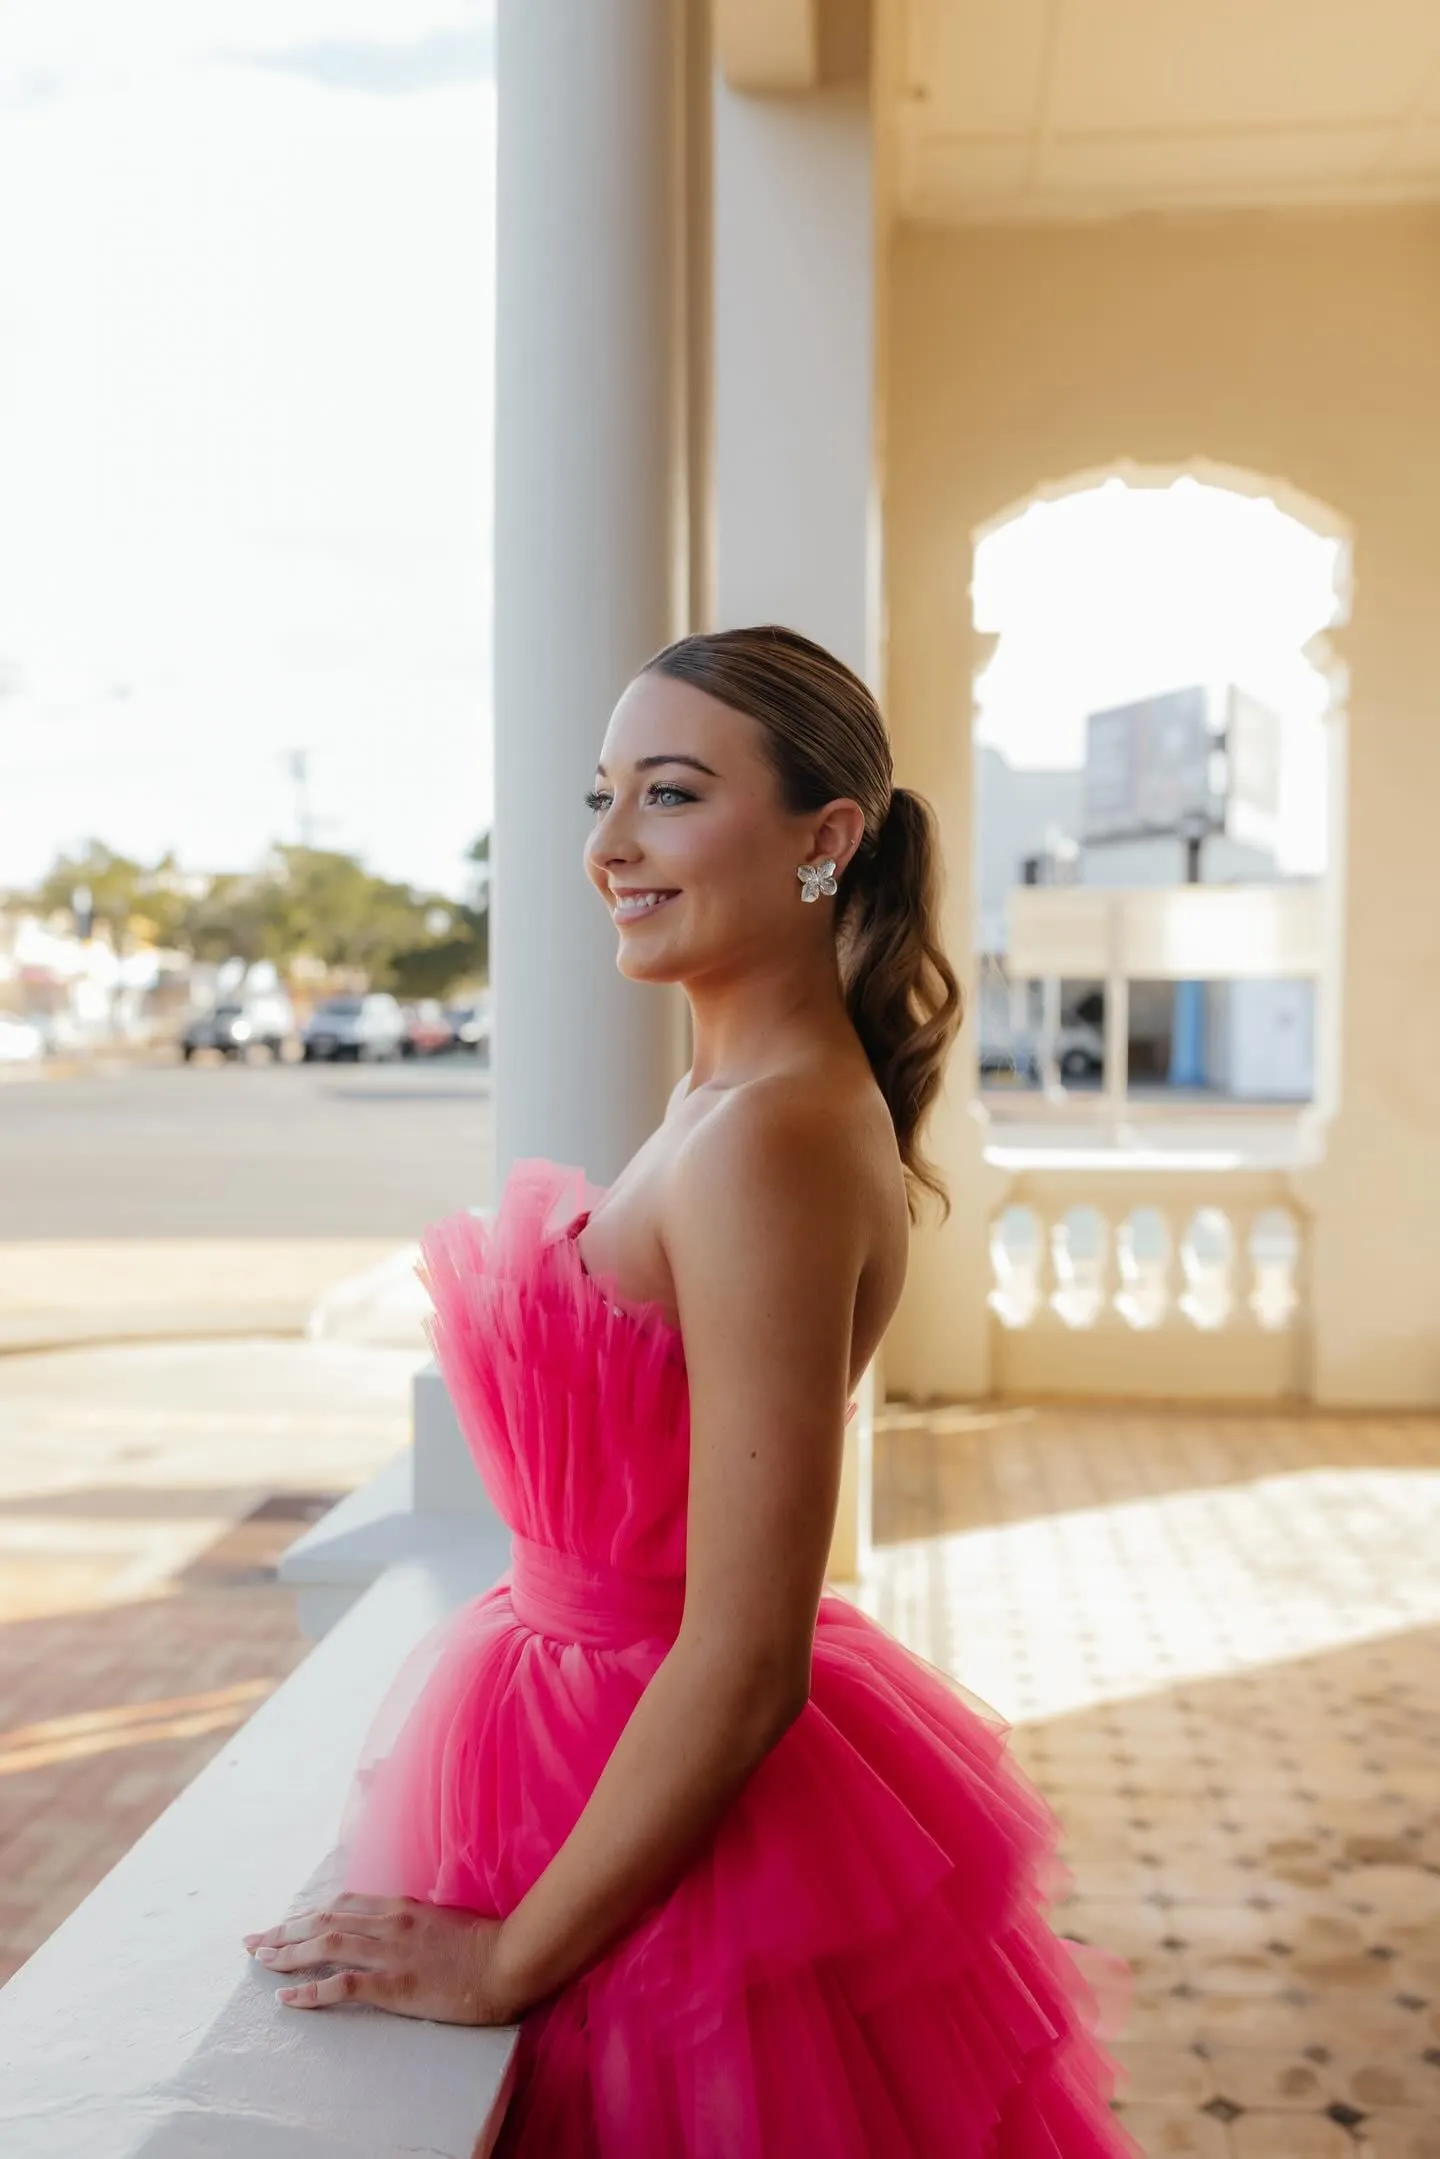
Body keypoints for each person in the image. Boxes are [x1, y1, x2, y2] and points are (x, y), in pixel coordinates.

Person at [244, 626, 1134, 2154]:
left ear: (826, 837)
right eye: (604, 797)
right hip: (568, 1738)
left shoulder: (771, 1138)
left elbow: (743, 1651)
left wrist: (509, 1960)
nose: (608, 848)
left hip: (659, 1800)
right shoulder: (722, 1098)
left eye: (667, 794)